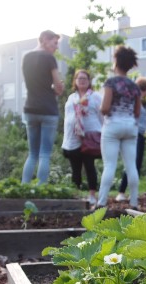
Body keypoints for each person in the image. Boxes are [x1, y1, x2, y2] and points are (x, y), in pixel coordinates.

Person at [97, 45, 141, 210]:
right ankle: (134, 202)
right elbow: (137, 112)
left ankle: (101, 203)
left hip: (113, 126)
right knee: (131, 165)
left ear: (115, 61)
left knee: (110, 165)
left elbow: (105, 108)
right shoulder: (135, 86)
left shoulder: (111, 82)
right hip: (130, 127)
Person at [21, 30, 64, 185]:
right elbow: (58, 86)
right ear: (44, 40)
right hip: (48, 110)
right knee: (44, 154)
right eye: (54, 43)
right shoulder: (49, 58)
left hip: (30, 109)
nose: (56, 47)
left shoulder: (26, 57)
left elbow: (34, 84)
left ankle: (24, 188)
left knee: (32, 153)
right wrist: (58, 88)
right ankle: (40, 190)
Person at [61, 69, 103, 206]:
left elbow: (102, 115)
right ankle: (76, 194)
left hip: (89, 137)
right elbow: (67, 117)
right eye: (79, 78)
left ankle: (92, 195)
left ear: (89, 81)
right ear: (75, 81)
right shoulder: (71, 97)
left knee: (89, 166)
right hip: (73, 138)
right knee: (75, 168)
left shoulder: (95, 97)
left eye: (85, 78)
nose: (82, 80)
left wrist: (102, 132)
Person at [115, 77, 146, 202]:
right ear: (143, 89)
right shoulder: (133, 102)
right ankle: (121, 192)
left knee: (137, 164)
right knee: (131, 164)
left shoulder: (139, 102)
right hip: (134, 135)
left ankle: (132, 193)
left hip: (139, 135)